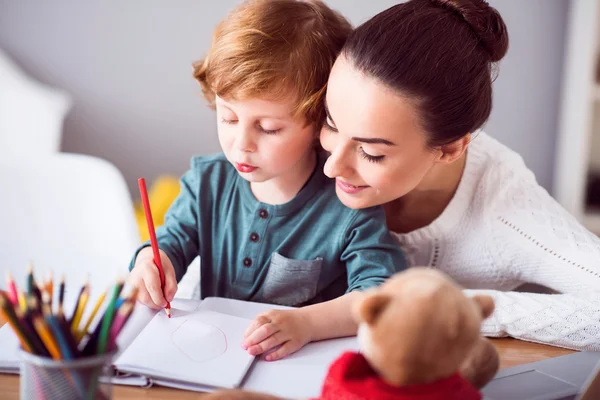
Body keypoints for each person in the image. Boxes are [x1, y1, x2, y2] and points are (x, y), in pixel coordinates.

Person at [127, 0, 406, 362]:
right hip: (210, 362)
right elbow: (172, 241)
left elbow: (380, 294)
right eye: (228, 117)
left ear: (322, 122)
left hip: (297, 367)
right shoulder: (206, 181)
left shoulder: (348, 203)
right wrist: (153, 261)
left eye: (268, 128)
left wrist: (305, 324)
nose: (241, 144)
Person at [320, 0, 600, 351]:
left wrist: (458, 309)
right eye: (329, 122)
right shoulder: (311, 151)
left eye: (372, 153)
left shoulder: (506, 212)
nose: (331, 166)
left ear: (449, 149)